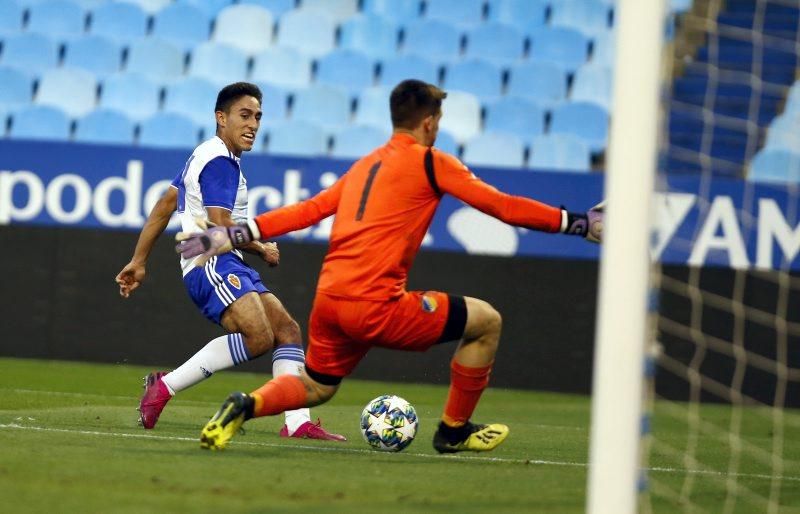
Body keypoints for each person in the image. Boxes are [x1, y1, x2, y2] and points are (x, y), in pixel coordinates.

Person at [176, 79, 603, 452]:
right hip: (375, 303)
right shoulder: (434, 163)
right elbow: (504, 207)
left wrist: (230, 235)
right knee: (486, 322)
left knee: (317, 386)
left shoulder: (364, 167)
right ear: (431, 122)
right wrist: (580, 223)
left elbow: (307, 211)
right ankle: (453, 431)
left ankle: (245, 405)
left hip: (329, 302)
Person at [115, 82, 345, 442]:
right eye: (244, 115)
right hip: (209, 259)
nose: (253, 124)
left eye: (257, 117)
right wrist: (261, 248)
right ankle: (165, 386)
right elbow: (220, 226)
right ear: (221, 118)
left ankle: (298, 421)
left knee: (287, 330)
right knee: (258, 337)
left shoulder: (204, 154)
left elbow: (164, 205)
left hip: (220, 257)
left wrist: (139, 260)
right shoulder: (220, 160)